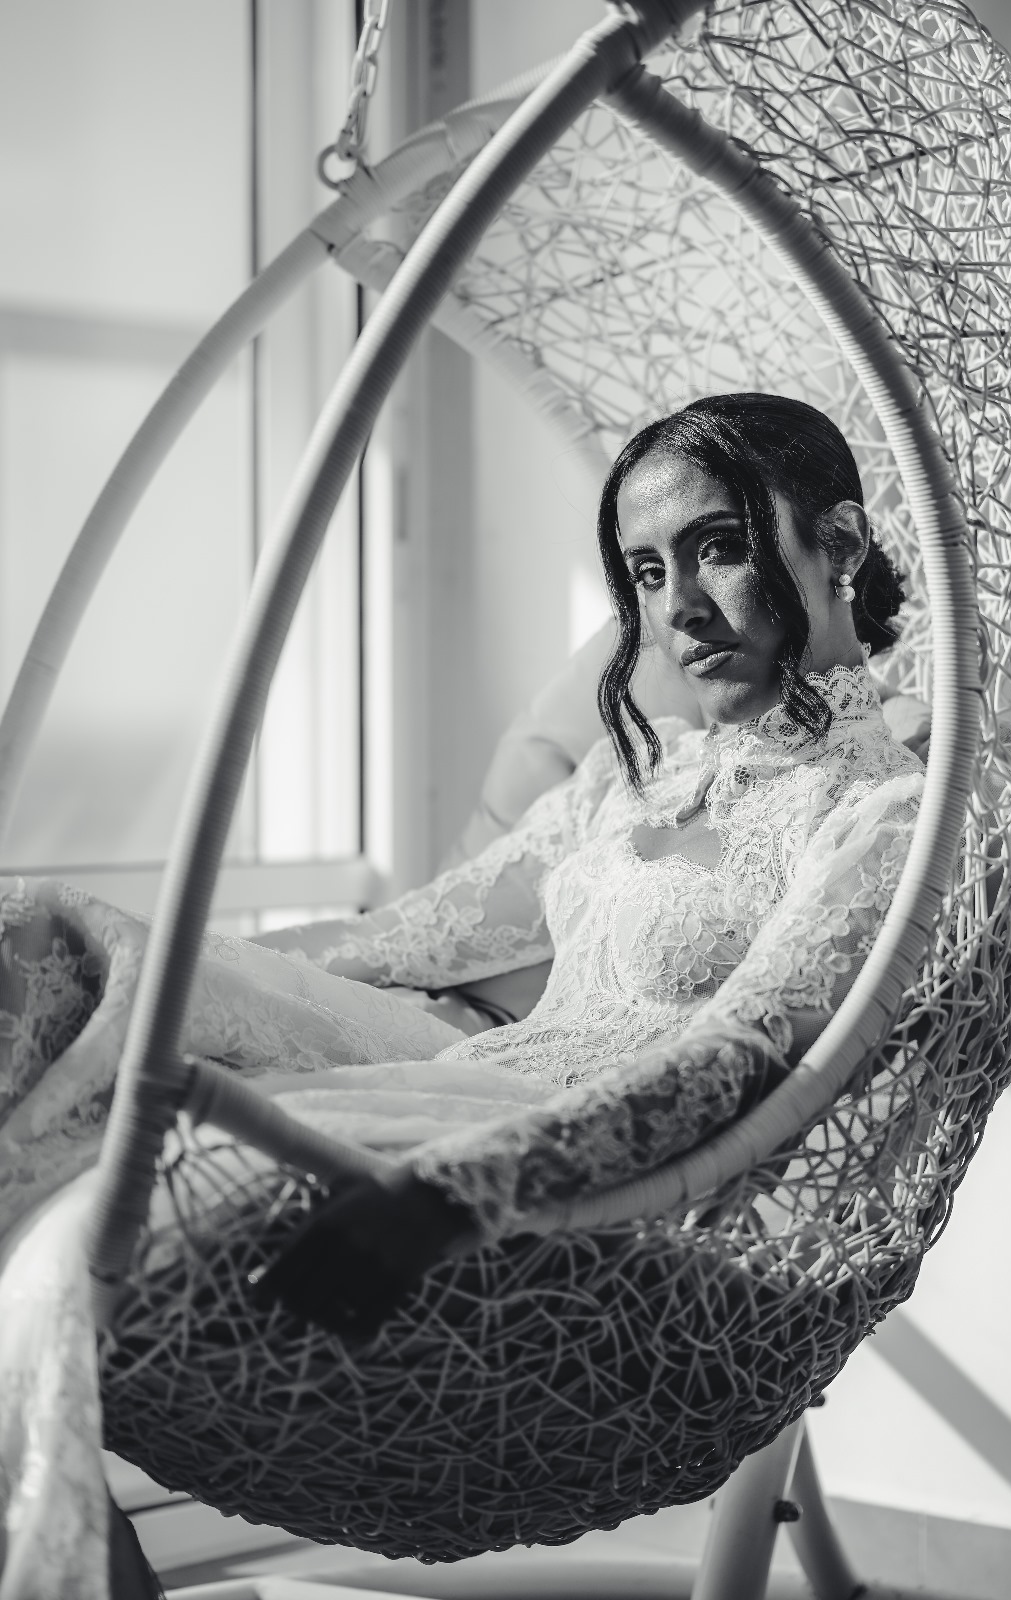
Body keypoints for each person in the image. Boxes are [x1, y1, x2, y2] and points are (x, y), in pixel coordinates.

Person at [0, 390, 926, 1594]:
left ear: (839, 544)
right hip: (453, 1065)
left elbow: (746, 1055)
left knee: (61, 1251)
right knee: (38, 932)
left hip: (584, 1170)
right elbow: (401, 938)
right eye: (646, 572)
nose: (676, 609)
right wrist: (166, 964)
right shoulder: (632, 774)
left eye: (717, 546)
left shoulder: (880, 812)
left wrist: (469, 1181)